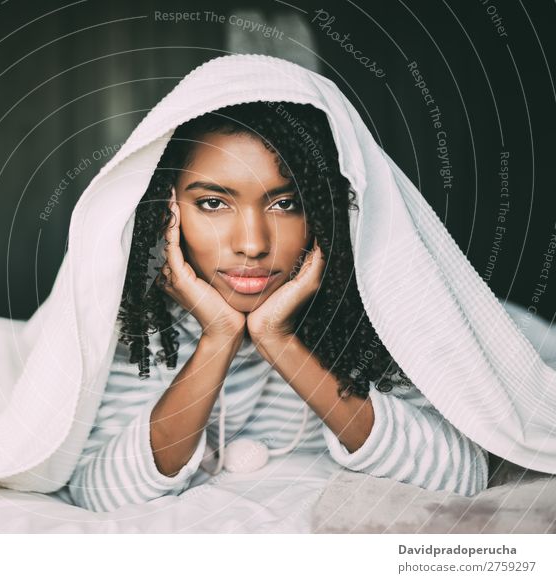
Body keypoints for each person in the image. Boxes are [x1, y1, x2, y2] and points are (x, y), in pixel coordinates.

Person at [64, 101, 489, 513]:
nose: (252, 244)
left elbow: (461, 475)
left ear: (326, 212)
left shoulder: (369, 320)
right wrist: (219, 337)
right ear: (165, 211)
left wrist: (278, 339)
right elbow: (101, 492)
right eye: (213, 203)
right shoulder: (143, 329)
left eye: (286, 204)